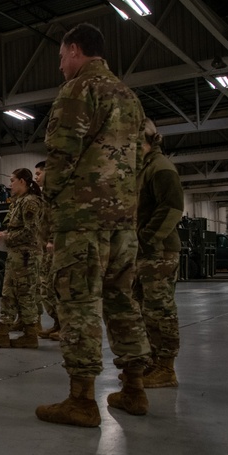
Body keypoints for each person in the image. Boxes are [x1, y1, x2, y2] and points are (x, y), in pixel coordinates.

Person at [36, 22, 152, 427]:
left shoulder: (79, 90)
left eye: (62, 57)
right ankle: (135, 389)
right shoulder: (130, 97)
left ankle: (82, 401)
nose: (61, 66)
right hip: (123, 221)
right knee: (122, 299)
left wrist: (51, 202)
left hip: (83, 220)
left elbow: (62, 154)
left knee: (80, 303)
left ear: (73, 50)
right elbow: (141, 160)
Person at [133, 119, 184, 387]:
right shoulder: (144, 168)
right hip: (145, 253)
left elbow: (173, 208)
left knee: (160, 309)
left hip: (159, 252)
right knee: (145, 309)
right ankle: (153, 362)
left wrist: (146, 238)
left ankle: (166, 367)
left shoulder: (161, 167)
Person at [0, 168, 44, 349]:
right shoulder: (18, 202)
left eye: (12, 180)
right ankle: (3, 333)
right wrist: (6, 233)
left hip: (25, 257)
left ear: (22, 181)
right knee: (9, 295)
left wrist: (8, 237)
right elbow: (18, 229)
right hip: (16, 256)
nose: (10, 184)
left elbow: (30, 232)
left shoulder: (30, 202)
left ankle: (30, 335)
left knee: (25, 295)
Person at [34, 160, 60, 340]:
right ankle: (57, 323)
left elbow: (57, 218)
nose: (36, 177)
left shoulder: (56, 194)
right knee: (46, 288)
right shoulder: (44, 195)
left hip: (54, 249)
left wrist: (51, 241)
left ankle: (64, 325)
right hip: (44, 249)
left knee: (54, 287)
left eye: (38, 173)